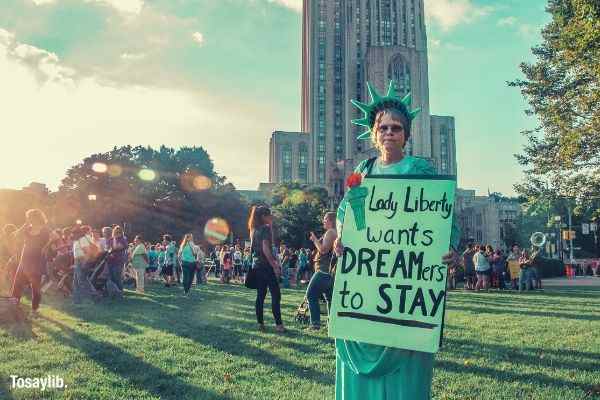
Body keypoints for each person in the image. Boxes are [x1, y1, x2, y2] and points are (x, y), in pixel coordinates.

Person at [332, 82, 460, 400]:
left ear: (407, 134)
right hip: (365, 286)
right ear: (374, 134)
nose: (389, 132)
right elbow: (347, 212)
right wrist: (342, 239)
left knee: (408, 359)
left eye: (396, 128)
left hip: (407, 290)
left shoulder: (422, 171)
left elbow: (445, 219)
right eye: (383, 127)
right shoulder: (361, 173)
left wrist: (450, 249)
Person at [248, 205, 285, 333]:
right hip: (266, 266)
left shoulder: (253, 230)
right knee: (276, 294)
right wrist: (275, 266)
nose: (272, 218)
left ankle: (260, 323)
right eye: (270, 216)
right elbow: (265, 248)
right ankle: (279, 325)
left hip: (256, 266)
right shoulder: (266, 228)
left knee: (260, 296)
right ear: (264, 217)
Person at [10, 209, 51, 315]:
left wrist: (45, 247)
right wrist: (25, 224)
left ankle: (34, 309)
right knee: (17, 282)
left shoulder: (45, 229)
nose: (28, 219)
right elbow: (16, 235)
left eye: (29, 217)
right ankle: (14, 304)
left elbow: (54, 237)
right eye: (27, 217)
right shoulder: (27, 228)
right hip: (25, 258)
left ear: (36, 217)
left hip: (36, 259)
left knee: (35, 285)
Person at [305, 212, 337, 330]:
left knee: (311, 295)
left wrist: (314, 240)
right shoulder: (334, 232)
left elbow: (323, 250)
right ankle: (331, 324)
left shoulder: (331, 232)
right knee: (329, 298)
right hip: (329, 272)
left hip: (323, 271)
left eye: (325, 219)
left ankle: (315, 324)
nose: (323, 221)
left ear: (331, 221)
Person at [72, 225, 100, 304]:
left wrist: (85, 262)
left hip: (82, 260)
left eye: (74, 234)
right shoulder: (77, 240)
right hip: (78, 261)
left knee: (82, 280)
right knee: (76, 282)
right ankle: (77, 300)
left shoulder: (83, 239)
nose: (72, 235)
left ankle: (94, 296)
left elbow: (87, 252)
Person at [106, 225, 127, 292]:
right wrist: (110, 251)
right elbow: (107, 248)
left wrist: (112, 249)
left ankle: (120, 291)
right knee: (111, 277)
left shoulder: (123, 239)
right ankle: (113, 291)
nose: (117, 233)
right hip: (110, 261)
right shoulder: (110, 240)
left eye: (119, 232)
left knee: (117, 277)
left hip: (119, 261)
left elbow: (120, 247)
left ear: (121, 233)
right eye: (116, 231)